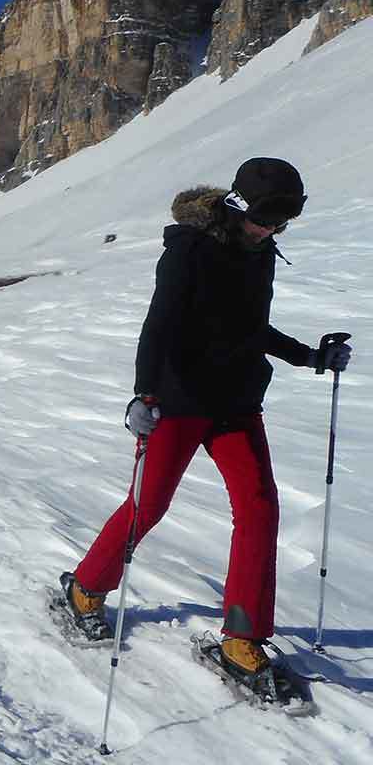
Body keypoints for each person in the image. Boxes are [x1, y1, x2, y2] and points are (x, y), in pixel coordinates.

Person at [58, 158, 352, 686]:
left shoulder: (261, 252)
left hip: (236, 401)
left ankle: (241, 637)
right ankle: (85, 588)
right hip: (178, 399)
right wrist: (144, 394)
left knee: (259, 508)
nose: (269, 231)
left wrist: (310, 356)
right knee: (148, 505)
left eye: (281, 222)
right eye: (263, 219)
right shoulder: (190, 250)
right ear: (238, 205)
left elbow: (253, 328)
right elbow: (160, 324)